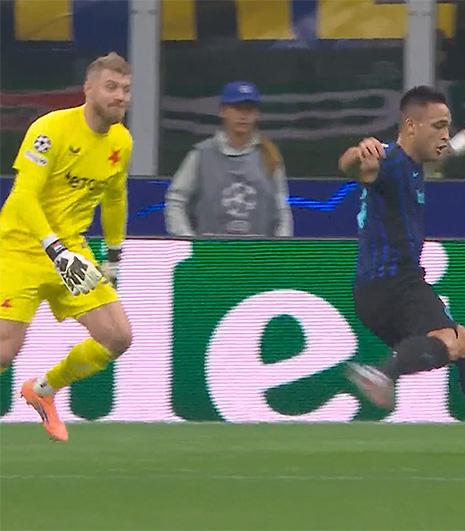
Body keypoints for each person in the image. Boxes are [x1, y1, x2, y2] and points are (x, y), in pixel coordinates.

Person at [338, 85, 465, 454]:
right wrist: (360, 154)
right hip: (395, 284)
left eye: (448, 126)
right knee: (448, 340)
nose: (445, 135)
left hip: (376, 288)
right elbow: (354, 165)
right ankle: (382, 374)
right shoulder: (388, 161)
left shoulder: (411, 162)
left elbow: (441, 155)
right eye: (438, 126)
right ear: (410, 126)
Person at [0, 52, 134, 441]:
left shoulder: (121, 142)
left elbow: (115, 198)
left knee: (118, 336)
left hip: (72, 253)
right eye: (111, 87)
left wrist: (113, 257)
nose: (120, 96)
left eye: (126, 89)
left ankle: (43, 390)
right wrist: (56, 251)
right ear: (88, 89)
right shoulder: (51, 129)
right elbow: (24, 197)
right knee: (5, 349)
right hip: (21, 246)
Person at [165, 81, 293, 238]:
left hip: (258, 251)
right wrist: (189, 241)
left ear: (257, 114)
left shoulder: (270, 155)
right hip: (211, 250)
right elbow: (176, 199)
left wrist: (281, 246)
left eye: (249, 110)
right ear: (223, 111)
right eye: (237, 108)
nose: (243, 116)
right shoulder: (201, 155)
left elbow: (282, 209)